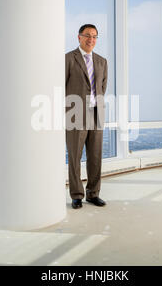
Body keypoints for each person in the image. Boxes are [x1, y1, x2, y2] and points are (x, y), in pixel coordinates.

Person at [65, 24, 108, 209]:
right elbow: (62, 86)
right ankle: (76, 195)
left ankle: (93, 193)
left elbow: (103, 87)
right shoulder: (68, 58)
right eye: (87, 35)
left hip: (96, 114)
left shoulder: (102, 61)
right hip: (75, 115)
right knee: (75, 156)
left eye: (95, 36)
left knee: (95, 156)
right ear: (79, 37)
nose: (91, 39)